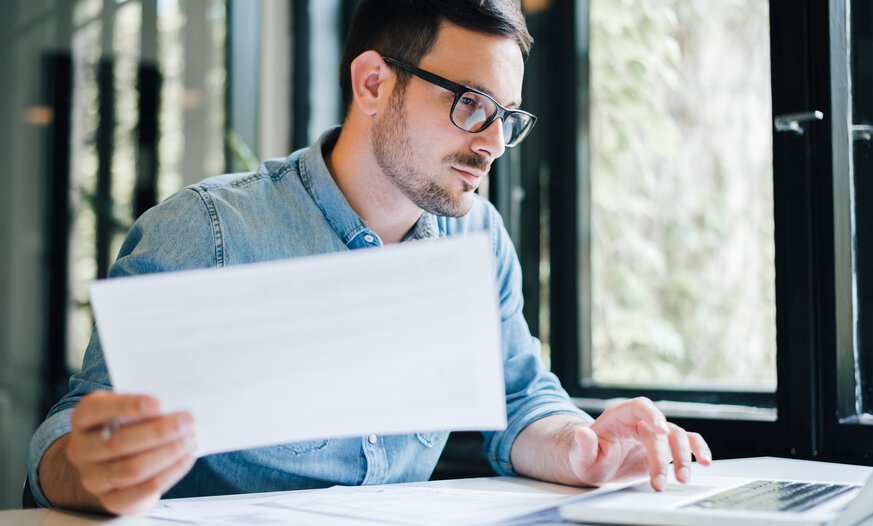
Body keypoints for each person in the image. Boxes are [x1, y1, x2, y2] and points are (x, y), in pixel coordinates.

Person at [28, 0, 711, 516]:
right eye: (472, 105)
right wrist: (86, 469)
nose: (493, 143)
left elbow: (519, 397)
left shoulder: (478, 239)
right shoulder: (208, 232)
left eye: (508, 116)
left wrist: (582, 448)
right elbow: (74, 432)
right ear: (373, 84)